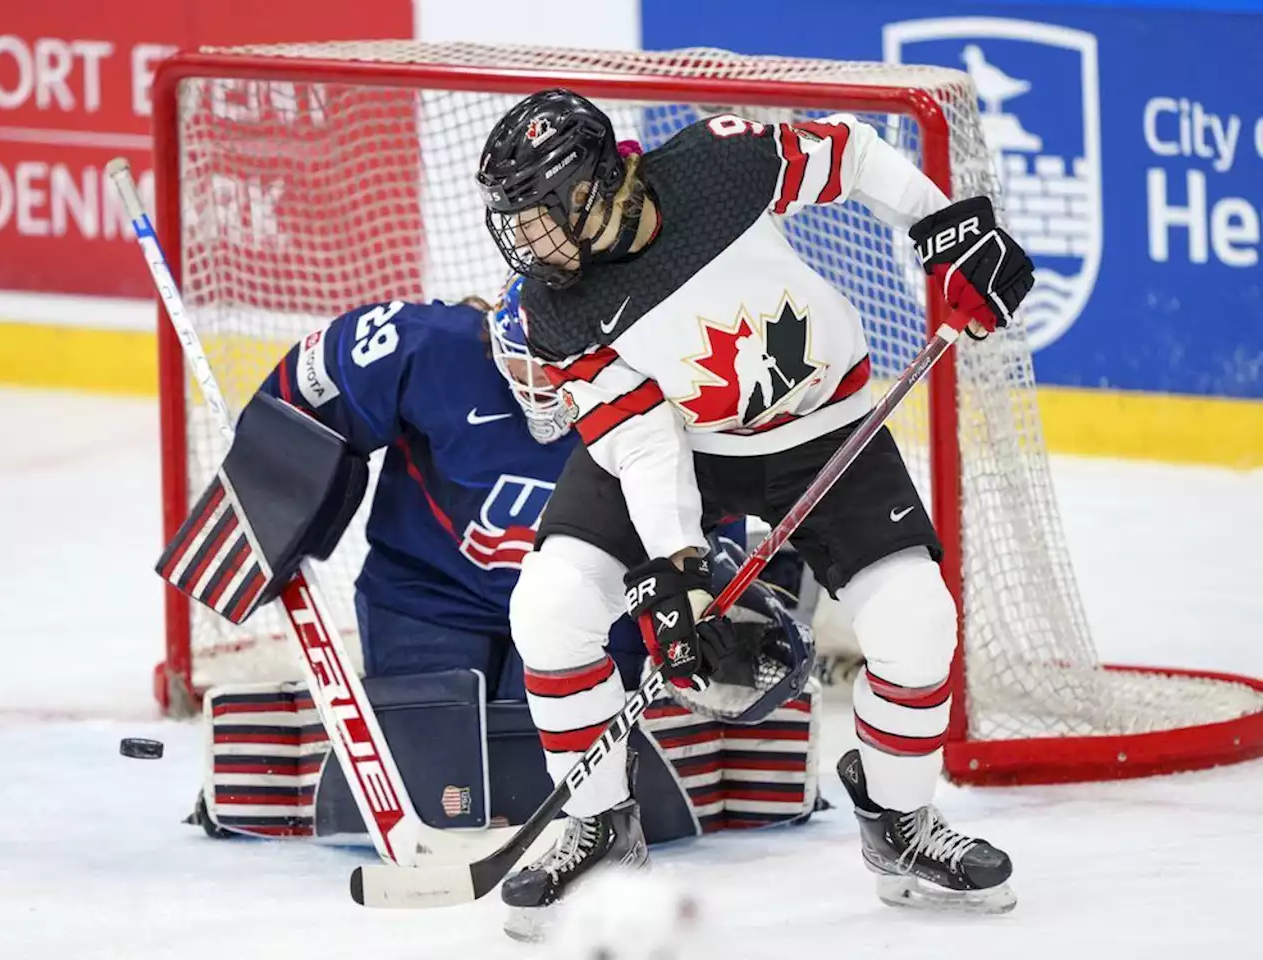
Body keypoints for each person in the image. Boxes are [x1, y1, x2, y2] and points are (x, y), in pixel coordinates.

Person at [476, 89, 1034, 925]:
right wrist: (681, 568)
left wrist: (944, 228)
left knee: (918, 620)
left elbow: (849, 151)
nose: (525, 242)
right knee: (550, 603)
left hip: (821, 427)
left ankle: (900, 820)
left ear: (588, 187)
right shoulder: (557, 309)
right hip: (678, 447)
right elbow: (642, 440)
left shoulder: (716, 162)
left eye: (537, 215)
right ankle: (599, 826)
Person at [164, 281, 822, 850]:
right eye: (519, 361)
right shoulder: (429, 347)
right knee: (431, 764)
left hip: (596, 609)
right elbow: (310, 384)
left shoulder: (658, 405)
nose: (536, 385)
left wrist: (706, 615)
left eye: (554, 366)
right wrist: (273, 476)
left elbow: (698, 535)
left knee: (557, 773)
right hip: (428, 590)